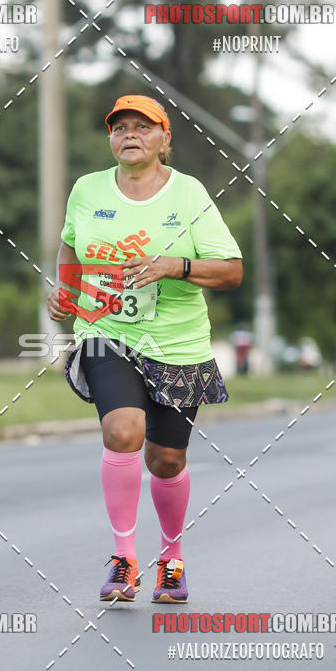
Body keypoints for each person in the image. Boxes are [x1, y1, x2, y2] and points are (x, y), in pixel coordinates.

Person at [47, 94, 243, 604]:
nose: (129, 135)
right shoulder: (87, 189)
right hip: (107, 333)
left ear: (164, 138)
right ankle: (124, 559)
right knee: (122, 430)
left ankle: (171, 559)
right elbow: (71, 244)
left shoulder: (189, 194)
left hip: (177, 343)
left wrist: (173, 265)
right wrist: (66, 290)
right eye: (119, 128)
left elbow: (230, 269)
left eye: (142, 127)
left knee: (167, 461)